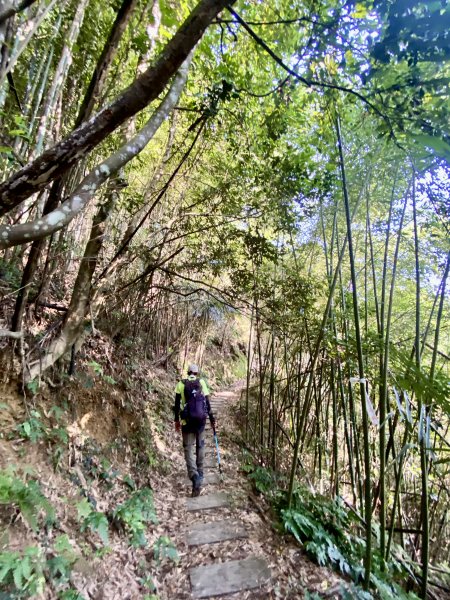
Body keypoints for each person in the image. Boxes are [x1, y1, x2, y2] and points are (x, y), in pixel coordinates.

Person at [174, 364, 215, 497]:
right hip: (201, 421)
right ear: (197, 373)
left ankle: (194, 475)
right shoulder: (202, 382)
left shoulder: (181, 384)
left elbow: (176, 405)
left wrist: (177, 421)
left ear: (188, 372)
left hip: (187, 422)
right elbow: (207, 402)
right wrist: (211, 417)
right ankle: (201, 471)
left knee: (188, 448)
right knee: (200, 446)